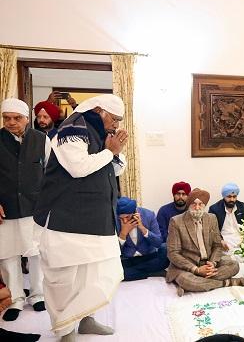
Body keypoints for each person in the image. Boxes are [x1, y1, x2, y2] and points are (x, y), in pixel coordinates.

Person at [33, 94, 128, 342]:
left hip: (97, 218)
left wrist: (114, 152)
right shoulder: (72, 129)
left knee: (97, 273)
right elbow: (78, 167)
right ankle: (64, 330)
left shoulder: (99, 132)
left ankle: (85, 318)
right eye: (114, 119)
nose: (116, 125)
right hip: (67, 219)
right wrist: (110, 151)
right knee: (63, 278)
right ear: (99, 111)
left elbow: (115, 168)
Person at [0, 98, 50, 321]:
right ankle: (16, 299)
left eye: (16, 118)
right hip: (5, 209)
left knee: (36, 252)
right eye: (6, 118)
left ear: (27, 119)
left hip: (35, 208)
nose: (11, 122)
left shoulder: (41, 139)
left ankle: (38, 295)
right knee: (8, 254)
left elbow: (51, 173)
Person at [166, 188, 244, 297]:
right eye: (193, 204)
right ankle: (228, 282)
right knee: (186, 280)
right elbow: (173, 253)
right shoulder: (176, 221)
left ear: (204, 205)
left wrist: (213, 263)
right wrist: (196, 270)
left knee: (234, 265)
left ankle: (196, 283)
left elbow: (217, 245)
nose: (197, 207)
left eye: (200, 204)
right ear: (189, 204)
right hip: (188, 267)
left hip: (208, 263)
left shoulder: (211, 218)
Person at [116, 196, 168, 281]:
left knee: (165, 250)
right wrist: (123, 233)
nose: (125, 221)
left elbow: (158, 242)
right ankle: (150, 272)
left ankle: (134, 273)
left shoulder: (149, 215)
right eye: (122, 218)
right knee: (115, 271)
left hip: (148, 257)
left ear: (135, 212)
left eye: (127, 217)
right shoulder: (115, 221)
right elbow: (115, 251)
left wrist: (142, 228)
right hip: (129, 260)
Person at [208, 183, 244, 252]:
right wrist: (220, 240)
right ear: (224, 196)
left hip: (242, 240)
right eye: (229, 197)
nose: (232, 199)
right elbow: (211, 229)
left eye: (234, 197)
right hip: (225, 241)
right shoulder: (215, 209)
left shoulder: (241, 206)